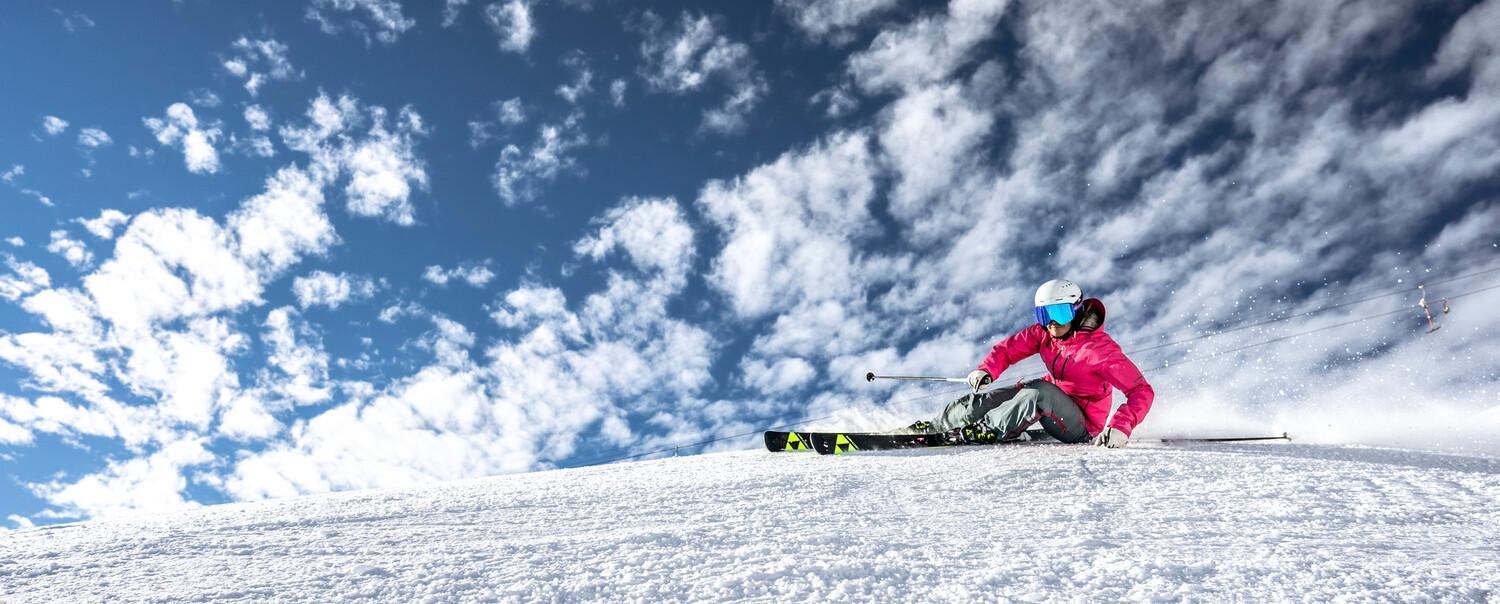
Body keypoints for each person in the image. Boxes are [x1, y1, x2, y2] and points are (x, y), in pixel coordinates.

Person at [914, 279, 1154, 448]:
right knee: (993, 398)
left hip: (1082, 425)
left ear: (1077, 311)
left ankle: (985, 430)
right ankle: (937, 426)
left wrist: (1121, 426)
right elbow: (1007, 350)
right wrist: (986, 370)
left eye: (1060, 313)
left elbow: (1141, 390)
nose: (1052, 323)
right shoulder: (1044, 333)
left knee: (1038, 392)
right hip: (1051, 398)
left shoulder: (1099, 350)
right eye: (1044, 315)